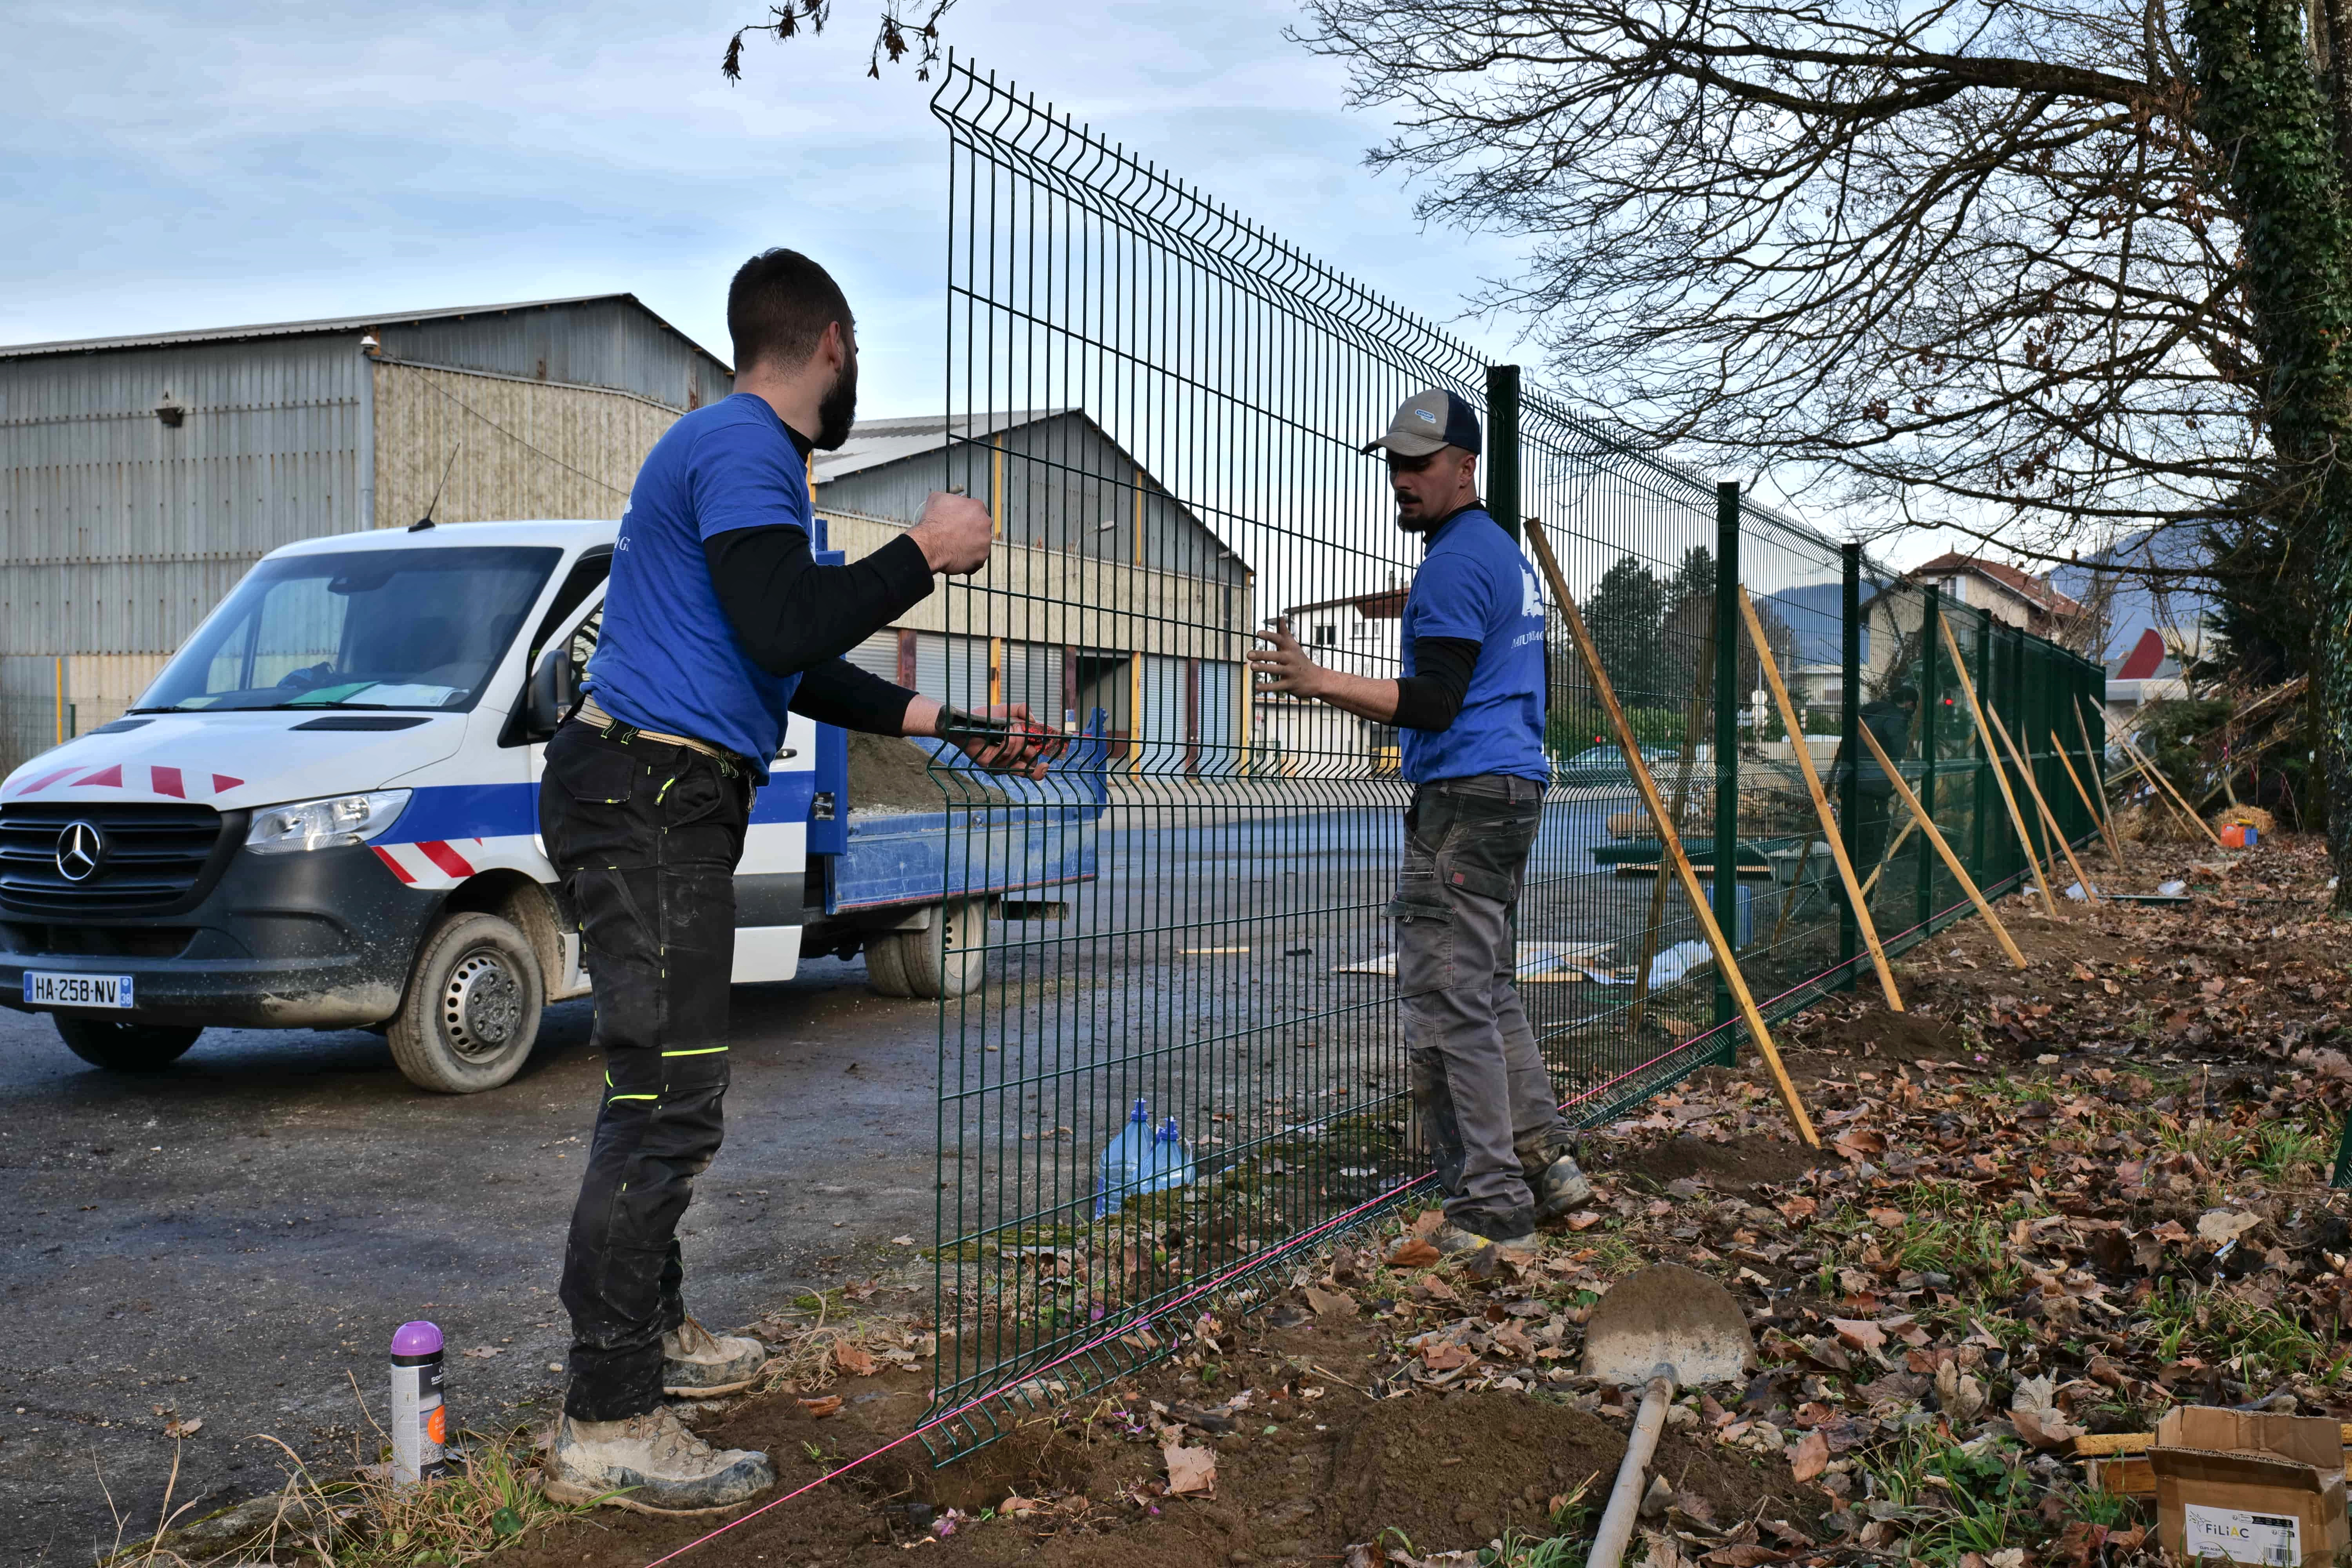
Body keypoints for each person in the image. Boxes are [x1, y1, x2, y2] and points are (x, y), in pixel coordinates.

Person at [537, 249, 1054, 1515]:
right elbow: (786, 626)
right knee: (666, 1103)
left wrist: (953, 723)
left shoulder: (736, 459)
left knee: (659, 1088)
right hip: (648, 795)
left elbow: (788, 661)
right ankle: (606, 1419)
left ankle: (653, 1345)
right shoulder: (748, 447)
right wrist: (924, 551)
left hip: (660, 793)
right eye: (856, 345)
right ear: (832, 340)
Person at [1248, 389, 1589, 1263]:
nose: (1403, 479)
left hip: (1466, 797)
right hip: (1511, 788)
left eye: (1420, 463)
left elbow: (1434, 702)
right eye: (1395, 462)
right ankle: (1547, 1163)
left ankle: (1492, 1204)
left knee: (1449, 999)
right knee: (1488, 986)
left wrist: (1319, 680)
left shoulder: (1453, 563)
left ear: (1465, 465)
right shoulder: (1497, 553)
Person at [1834, 684, 1918, 876]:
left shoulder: (1870, 714)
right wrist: (1916, 763)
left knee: (1852, 837)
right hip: (1871, 786)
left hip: (1850, 782)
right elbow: (1899, 745)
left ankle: (1841, 884)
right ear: (1910, 705)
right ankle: (1862, 890)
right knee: (1873, 839)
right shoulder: (1895, 717)